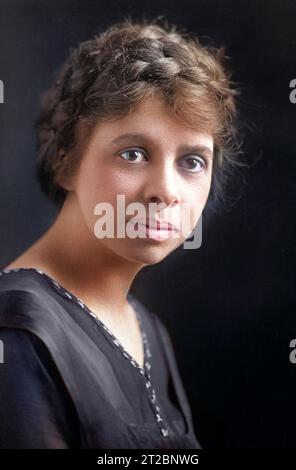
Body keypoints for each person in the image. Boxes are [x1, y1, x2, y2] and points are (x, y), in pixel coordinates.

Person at [0, 16, 242, 449]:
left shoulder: (145, 327)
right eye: (133, 153)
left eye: (192, 161)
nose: (164, 192)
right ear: (64, 161)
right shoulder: (18, 335)